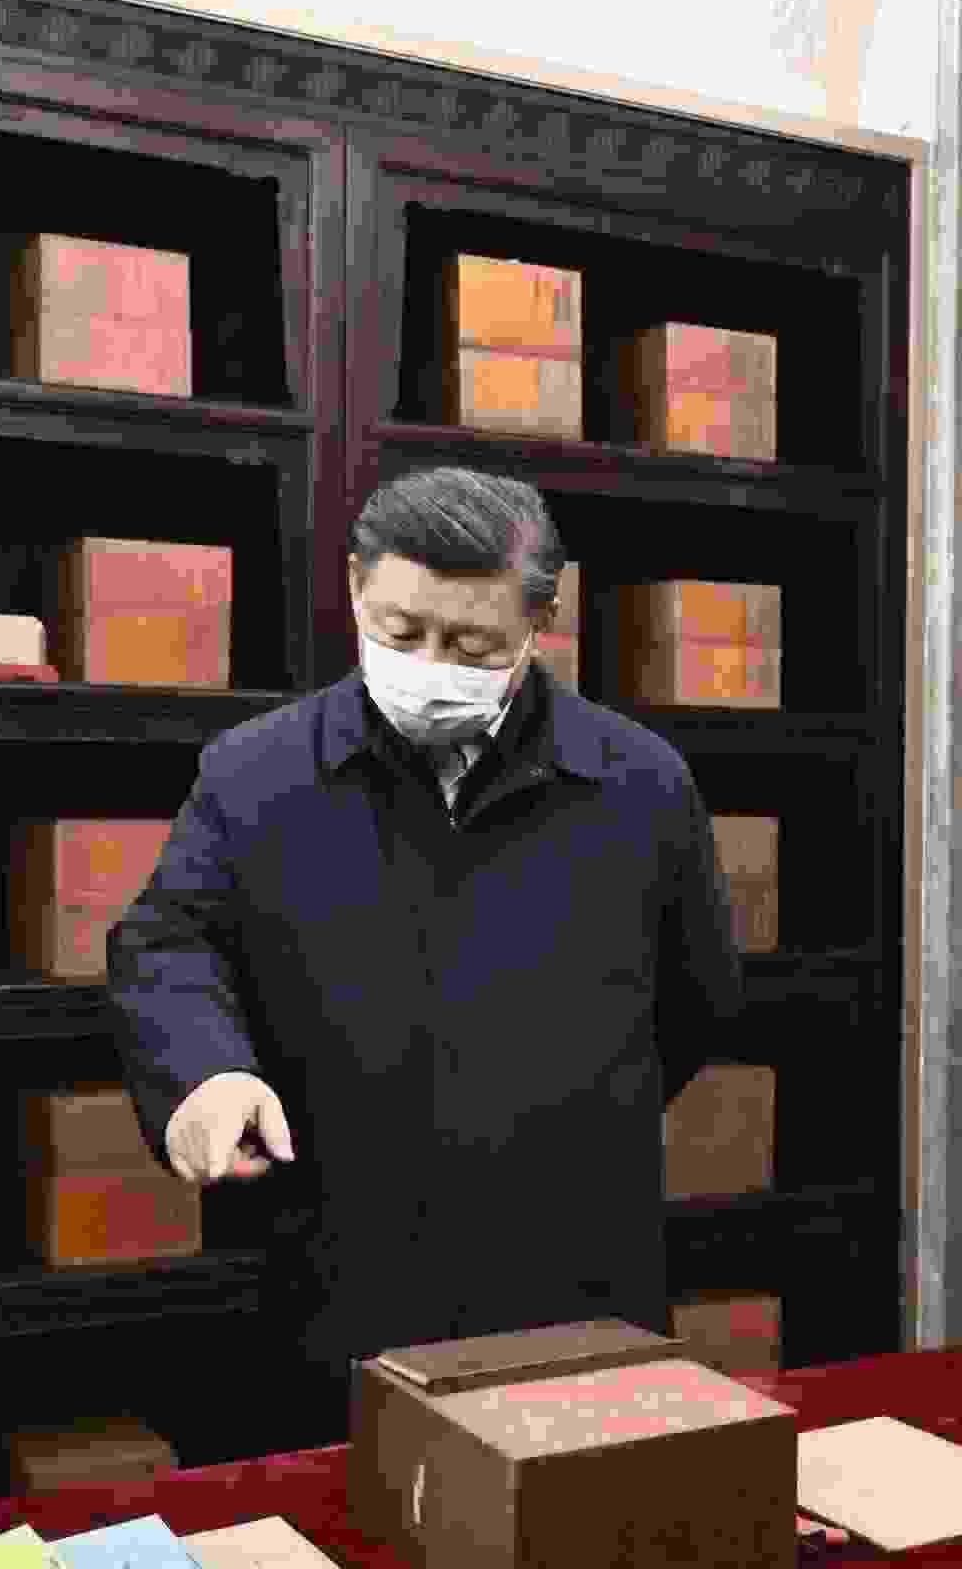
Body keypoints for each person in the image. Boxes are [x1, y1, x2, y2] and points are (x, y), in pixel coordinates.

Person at [104, 465, 746, 1464]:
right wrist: (208, 1071)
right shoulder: (256, 770)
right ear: (357, 587)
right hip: (332, 1256)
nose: (431, 665)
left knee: (573, 1527)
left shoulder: (640, 784)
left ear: (539, 624)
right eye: (401, 631)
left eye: (472, 645)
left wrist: (553, 1118)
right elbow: (167, 941)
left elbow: (697, 998)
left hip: (570, 1270)